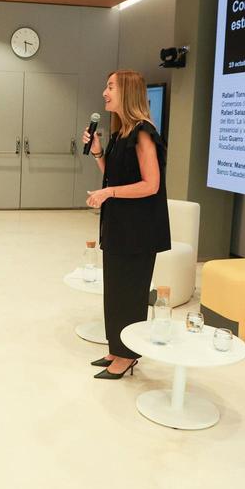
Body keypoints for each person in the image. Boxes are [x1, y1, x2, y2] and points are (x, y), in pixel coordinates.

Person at [83, 69, 170, 380]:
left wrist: (109, 192)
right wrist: (96, 151)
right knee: (115, 290)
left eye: (110, 87)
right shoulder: (121, 133)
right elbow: (114, 174)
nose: (105, 93)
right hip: (120, 225)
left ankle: (128, 355)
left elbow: (151, 185)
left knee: (130, 293)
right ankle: (115, 349)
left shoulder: (144, 133)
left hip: (139, 230)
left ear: (127, 93)